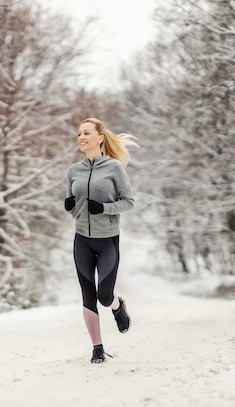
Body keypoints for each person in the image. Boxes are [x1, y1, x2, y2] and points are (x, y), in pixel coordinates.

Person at [64, 117, 138, 364]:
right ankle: (97, 348)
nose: (81, 137)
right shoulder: (73, 170)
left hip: (107, 241)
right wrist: (70, 206)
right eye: (79, 134)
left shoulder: (115, 168)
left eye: (86, 133)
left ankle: (117, 306)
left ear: (100, 137)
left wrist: (104, 208)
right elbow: (74, 207)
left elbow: (129, 202)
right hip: (82, 240)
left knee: (104, 295)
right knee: (88, 294)